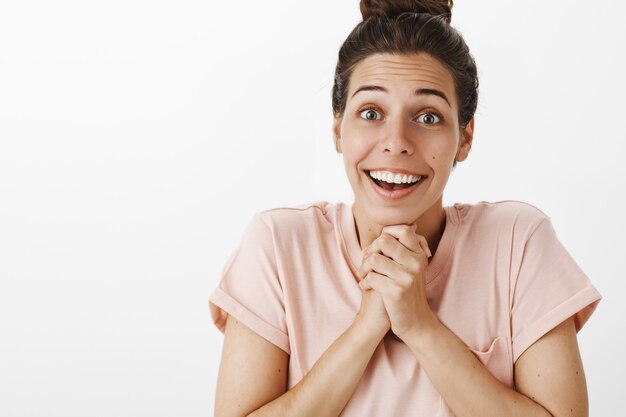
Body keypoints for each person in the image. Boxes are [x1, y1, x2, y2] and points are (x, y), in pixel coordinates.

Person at [208, 1, 602, 416]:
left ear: (465, 137)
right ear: (338, 128)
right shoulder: (277, 246)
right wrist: (366, 329)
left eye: (428, 117)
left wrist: (419, 324)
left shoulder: (518, 242)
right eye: (371, 112)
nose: (396, 141)